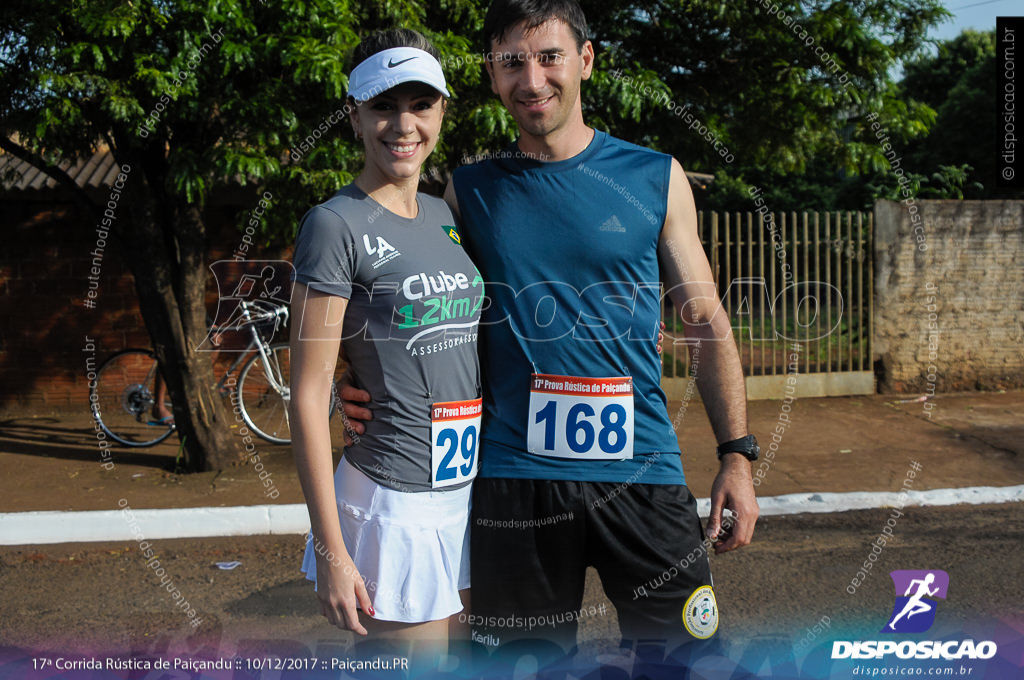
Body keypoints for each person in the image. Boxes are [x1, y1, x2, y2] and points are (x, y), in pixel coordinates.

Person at [342, 0, 759, 659]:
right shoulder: (468, 193)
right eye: (512, 63)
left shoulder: (654, 177)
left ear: (586, 61)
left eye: (549, 57)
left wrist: (737, 453)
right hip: (513, 481)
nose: (531, 80)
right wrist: (356, 376)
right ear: (492, 76)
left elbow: (704, 321)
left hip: (642, 473)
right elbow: (415, 308)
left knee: (688, 663)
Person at [288, 29, 481, 658]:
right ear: (355, 116)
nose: (403, 125)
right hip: (395, 504)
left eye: (420, 105)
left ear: (442, 112)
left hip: (463, 492)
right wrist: (332, 548)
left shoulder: (444, 214)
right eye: (382, 106)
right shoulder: (333, 223)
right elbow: (309, 391)